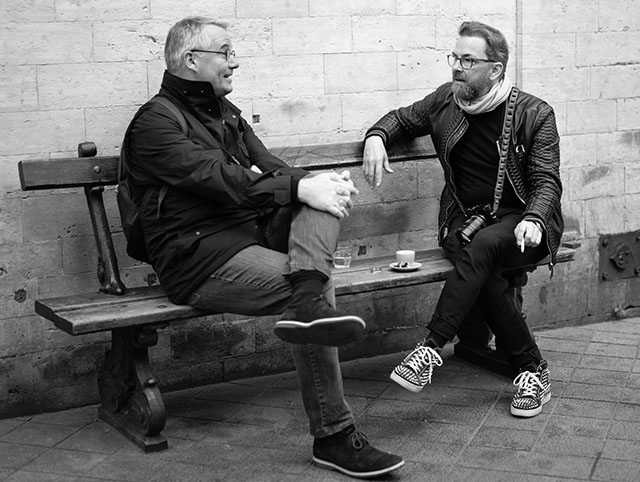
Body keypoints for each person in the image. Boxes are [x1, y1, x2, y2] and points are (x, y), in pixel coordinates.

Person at [123, 16, 404, 478]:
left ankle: (307, 298)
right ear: (192, 60)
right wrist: (287, 187)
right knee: (316, 275)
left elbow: (271, 168)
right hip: (199, 258)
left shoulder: (225, 112)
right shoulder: (155, 122)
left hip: (249, 235)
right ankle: (333, 435)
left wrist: (312, 184)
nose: (236, 61)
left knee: (320, 194)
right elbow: (219, 178)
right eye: (226, 52)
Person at [362, 21, 563, 418]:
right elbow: (402, 119)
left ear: (496, 70)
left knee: (485, 248)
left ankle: (431, 348)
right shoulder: (444, 101)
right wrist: (376, 136)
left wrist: (536, 218)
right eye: (455, 57)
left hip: (521, 224)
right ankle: (531, 370)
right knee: (481, 260)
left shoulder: (534, 113)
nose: (457, 66)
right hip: (463, 220)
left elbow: (546, 180)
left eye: (468, 60)